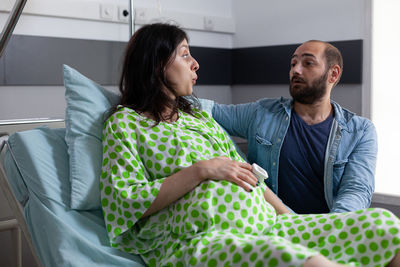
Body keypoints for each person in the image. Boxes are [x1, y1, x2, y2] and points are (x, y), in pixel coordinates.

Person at [100, 23, 400, 267]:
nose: (195, 63)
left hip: (267, 223)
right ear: (156, 64)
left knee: (386, 226)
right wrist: (202, 170)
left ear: (333, 74)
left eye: (306, 63)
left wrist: (297, 223)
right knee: (307, 261)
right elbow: (123, 201)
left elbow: (249, 174)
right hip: (203, 238)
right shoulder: (125, 124)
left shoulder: (199, 120)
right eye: (184, 54)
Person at [208, 40, 377, 214]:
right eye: (293, 63)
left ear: (333, 74)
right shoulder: (261, 113)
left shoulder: (361, 131)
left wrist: (327, 230)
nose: (295, 70)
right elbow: (207, 110)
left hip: (326, 230)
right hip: (271, 226)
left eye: (308, 63)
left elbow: (356, 190)